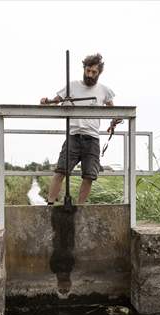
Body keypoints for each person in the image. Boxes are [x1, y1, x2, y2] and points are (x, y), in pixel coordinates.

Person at [40, 53, 121, 204]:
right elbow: (55, 101)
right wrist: (46, 101)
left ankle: (80, 208)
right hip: (74, 136)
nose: (90, 75)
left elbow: (114, 111)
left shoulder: (104, 91)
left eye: (94, 72)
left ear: (99, 73)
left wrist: (115, 120)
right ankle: (49, 205)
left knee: (89, 175)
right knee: (61, 171)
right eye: (88, 71)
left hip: (92, 138)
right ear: (84, 69)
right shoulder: (73, 86)